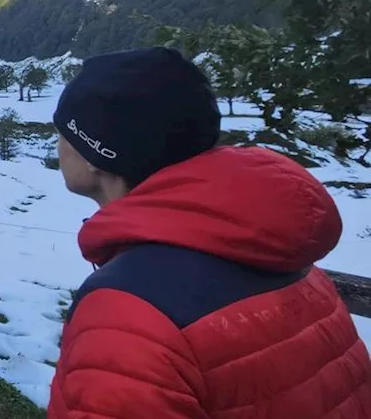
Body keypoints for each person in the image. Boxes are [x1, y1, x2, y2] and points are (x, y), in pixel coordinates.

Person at [48, 46, 371, 418]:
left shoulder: (128, 312)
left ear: (95, 155)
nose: (58, 146)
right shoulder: (289, 263)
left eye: (63, 132)